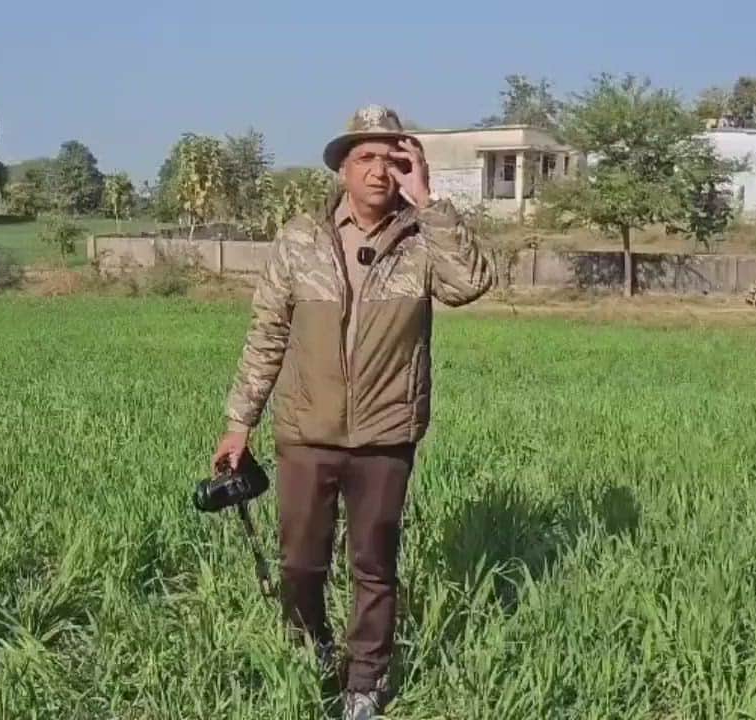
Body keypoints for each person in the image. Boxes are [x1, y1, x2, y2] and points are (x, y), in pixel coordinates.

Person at [211, 104, 495, 719]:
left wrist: (431, 203)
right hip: (306, 432)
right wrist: (240, 423)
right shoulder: (300, 238)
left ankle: (365, 681)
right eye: (365, 157)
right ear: (341, 168)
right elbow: (266, 335)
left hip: (386, 433)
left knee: (374, 564)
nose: (378, 170)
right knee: (300, 560)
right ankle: (311, 650)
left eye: (394, 159)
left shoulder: (421, 240)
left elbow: (470, 284)